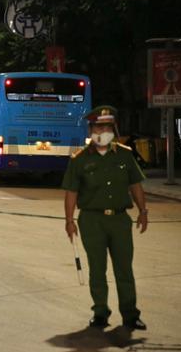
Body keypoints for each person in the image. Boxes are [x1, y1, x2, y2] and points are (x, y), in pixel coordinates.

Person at [62, 105, 148, 331]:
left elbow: (135, 185)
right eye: (100, 126)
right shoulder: (79, 159)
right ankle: (100, 312)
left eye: (108, 126)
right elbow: (71, 192)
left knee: (124, 269)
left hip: (120, 220)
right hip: (92, 220)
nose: (104, 130)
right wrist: (69, 221)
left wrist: (143, 211)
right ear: (91, 129)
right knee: (97, 269)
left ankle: (130, 315)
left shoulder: (125, 155)